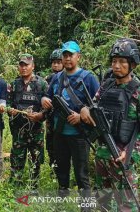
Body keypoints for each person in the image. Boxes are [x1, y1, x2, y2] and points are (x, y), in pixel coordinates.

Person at [80, 38, 140, 211]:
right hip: (103, 154)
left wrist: (129, 152)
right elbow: (94, 107)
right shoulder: (106, 86)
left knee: (126, 205)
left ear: (133, 65)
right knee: (103, 202)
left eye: (122, 61)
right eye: (114, 61)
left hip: (124, 158)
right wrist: (85, 110)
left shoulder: (137, 90)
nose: (117, 66)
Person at [41, 41, 99, 199]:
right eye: (64, 55)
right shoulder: (57, 77)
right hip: (60, 133)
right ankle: (61, 204)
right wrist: (44, 99)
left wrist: (81, 117)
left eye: (70, 55)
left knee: (82, 176)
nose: (67, 58)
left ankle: (85, 208)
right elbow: (47, 95)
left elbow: (98, 108)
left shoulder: (88, 78)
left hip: (80, 135)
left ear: (78, 56)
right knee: (62, 172)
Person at [7, 54, 48, 189]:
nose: (24, 68)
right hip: (19, 131)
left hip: (35, 131)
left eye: (27, 65)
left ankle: (33, 188)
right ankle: (14, 187)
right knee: (16, 160)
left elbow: (49, 107)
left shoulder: (42, 84)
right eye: (21, 65)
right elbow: (8, 103)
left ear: (33, 66)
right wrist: (10, 110)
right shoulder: (14, 84)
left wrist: (40, 116)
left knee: (35, 162)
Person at [44, 49, 64, 169]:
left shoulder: (69, 77)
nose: (56, 65)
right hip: (51, 118)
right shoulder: (48, 79)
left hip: (65, 118)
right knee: (51, 145)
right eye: (54, 62)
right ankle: (53, 168)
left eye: (58, 62)